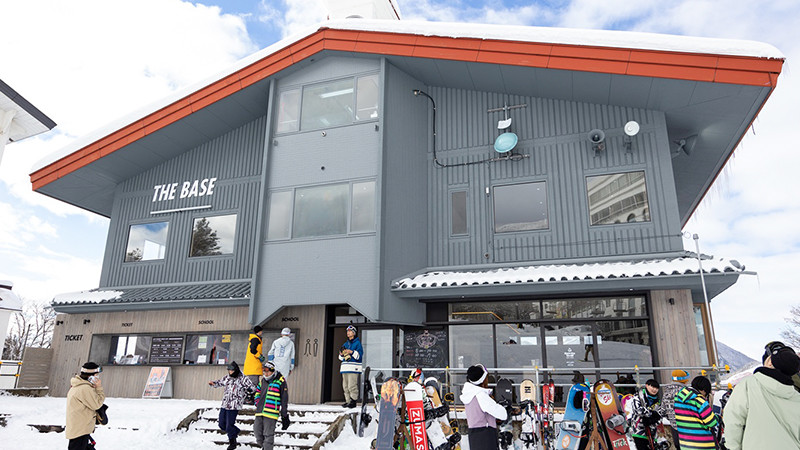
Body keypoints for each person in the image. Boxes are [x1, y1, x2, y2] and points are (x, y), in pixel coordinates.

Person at [723, 341, 800, 450]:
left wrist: (733, 447)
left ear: (769, 362)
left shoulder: (748, 385)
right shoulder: (796, 397)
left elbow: (733, 421)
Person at [209, 361, 255, 450]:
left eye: (231, 371)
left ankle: (232, 443)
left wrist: (248, 390)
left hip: (234, 405)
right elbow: (220, 382)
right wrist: (214, 383)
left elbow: (252, 388)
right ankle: (236, 431)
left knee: (229, 425)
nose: (230, 372)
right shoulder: (228, 378)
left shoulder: (243, 378)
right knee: (221, 424)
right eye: (229, 371)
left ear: (236, 370)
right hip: (225, 404)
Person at [459, 364, 507, 450]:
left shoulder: (470, 394)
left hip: (474, 434)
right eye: (486, 377)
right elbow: (501, 414)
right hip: (485, 435)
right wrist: (503, 408)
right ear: (483, 379)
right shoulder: (481, 395)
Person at [65, 362, 105, 450]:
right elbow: (97, 404)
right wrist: (98, 388)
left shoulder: (78, 386)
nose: (98, 378)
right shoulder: (84, 388)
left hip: (78, 428)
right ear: (91, 377)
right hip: (80, 430)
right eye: (96, 375)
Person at [674, 375, 721, 450]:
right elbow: (711, 422)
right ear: (703, 390)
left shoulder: (678, 398)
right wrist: (718, 418)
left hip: (685, 444)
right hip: (703, 444)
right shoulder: (699, 400)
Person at [254, 361, 290, 450]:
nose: (265, 373)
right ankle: (265, 447)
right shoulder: (263, 381)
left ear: (272, 371)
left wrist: (284, 415)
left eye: (267, 371)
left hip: (271, 412)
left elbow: (284, 399)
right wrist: (257, 401)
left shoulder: (280, 381)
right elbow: (258, 391)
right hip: (260, 411)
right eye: (264, 371)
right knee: (257, 432)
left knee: (268, 435)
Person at [629, 379, 663, 450]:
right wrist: (651, 413)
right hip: (639, 431)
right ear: (647, 386)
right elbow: (638, 410)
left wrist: (654, 421)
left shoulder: (657, 400)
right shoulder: (638, 396)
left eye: (656, 388)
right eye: (652, 387)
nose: (654, 390)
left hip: (652, 432)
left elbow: (660, 415)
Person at [660, 368, 690, 449]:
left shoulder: (666, 392)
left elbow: (663, 411)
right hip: (687, 426)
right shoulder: (686, 392)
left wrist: (671, 418)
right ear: (684, 381)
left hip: (674, 426)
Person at [338, 325, 363, 408]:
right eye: (347, 331)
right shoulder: (345, 344)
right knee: (345, 386)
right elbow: (340, 358)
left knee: (352, 385)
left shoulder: (357, 343)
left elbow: (359, 356)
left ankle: (353, 401)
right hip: (345, 368)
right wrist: (341, 354)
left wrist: (351, 352)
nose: (348, 333)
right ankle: (348, 401)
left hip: (353, 368)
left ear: (354, 333)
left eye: (350, 331)